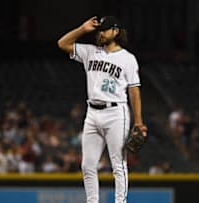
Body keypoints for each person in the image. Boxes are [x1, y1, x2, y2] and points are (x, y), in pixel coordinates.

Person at [57, 16, 147, 203]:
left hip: (116, 112)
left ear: (116, 31)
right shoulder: (90, 52)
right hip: (92, 112)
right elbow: (62, 43)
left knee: (118, 164)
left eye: (105, 29)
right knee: (87, 165)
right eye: (99, 30)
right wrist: (83, 28)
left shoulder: (128, 59)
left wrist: (138, 122)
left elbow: (134, 91)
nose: (101, 33)